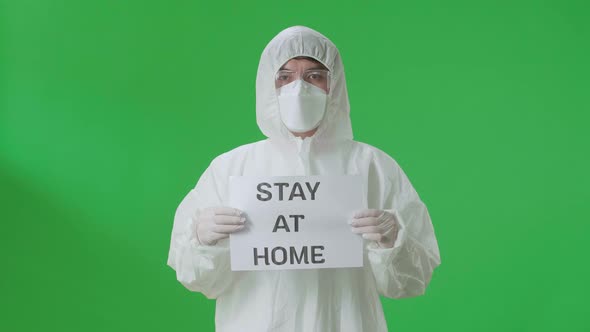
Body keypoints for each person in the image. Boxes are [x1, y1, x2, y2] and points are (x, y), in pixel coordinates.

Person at [167, 25, 441, 332]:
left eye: (314, 76)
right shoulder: (232, 168)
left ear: (333, 84)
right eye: (285, 77)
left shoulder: (372, 166)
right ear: (268, 86)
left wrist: (393, 241)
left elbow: (411, 282)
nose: (299, 88)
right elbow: (198, 280)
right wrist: (203, 242)